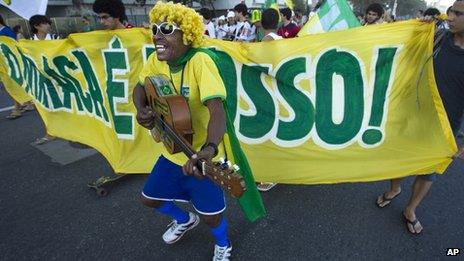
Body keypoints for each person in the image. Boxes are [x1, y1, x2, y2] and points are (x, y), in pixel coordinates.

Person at [133, 2, 232, 260]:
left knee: (212, 217)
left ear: (187, 35)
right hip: (171, 151)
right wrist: (141, 108)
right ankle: (184, 219)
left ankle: (223, 243)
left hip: (199, 155)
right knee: (149, 198)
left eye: (167, 29)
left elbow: (217, 109)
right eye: (155, 29)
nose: (157, 35)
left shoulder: (200, 61)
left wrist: (209, 149)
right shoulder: (156, 59)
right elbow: (140, 87)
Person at [376, 0, 464, 235]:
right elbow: (403, 49)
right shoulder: (437, 37)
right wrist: (419, 27)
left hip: (444, 126)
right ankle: (394, 189)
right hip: (413, 114)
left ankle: (410, 210)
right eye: (450, 11)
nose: (451, 16)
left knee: (428, 171)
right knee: (401, 158)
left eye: (458, 13)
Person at [255, 8, 282, 192]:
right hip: (277, 90)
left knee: (267, 134)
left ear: (261, 23)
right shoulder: (282, 40)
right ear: (278, 23)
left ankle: (270, 174)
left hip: (267, 92)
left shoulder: (267, 41)